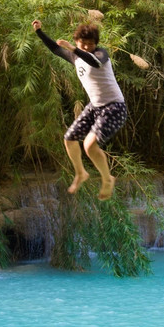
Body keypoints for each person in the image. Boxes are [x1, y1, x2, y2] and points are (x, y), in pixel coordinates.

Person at [33, 19, 127, 200]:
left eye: (89, 44)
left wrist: (75, 49)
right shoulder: (75, 56)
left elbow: (95, 63)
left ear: (95, 45)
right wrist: (39, 31)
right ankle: (80, 173)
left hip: (114, 107)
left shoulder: (101, 54)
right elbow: (55, 48)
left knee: (89, 145)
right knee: (69, 138)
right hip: (95, 106)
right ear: (76, 41)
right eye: (82, 44)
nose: (86, 47)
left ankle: (107, 179)